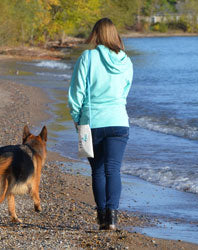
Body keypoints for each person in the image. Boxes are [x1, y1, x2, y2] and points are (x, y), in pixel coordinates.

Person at [68, 18, 133, 230]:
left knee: (98, 170)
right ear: (115, 35)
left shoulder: (87, 57)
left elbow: (76, 93)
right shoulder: (126, 61)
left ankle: (102, 216)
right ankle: (112, 219)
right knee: (113, 170)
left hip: (93, 121)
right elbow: (124, 91)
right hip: (119, 121)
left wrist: (77, 119)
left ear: (96, 34)